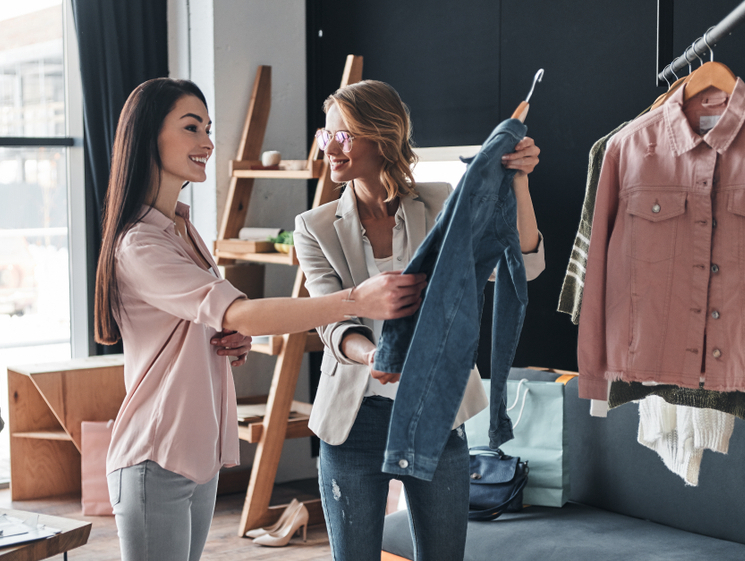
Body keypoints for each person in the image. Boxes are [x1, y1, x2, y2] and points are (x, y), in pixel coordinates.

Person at [93, 77, 427, 561]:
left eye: (208, 128)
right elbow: (242, 311)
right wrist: (355, 301)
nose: (207, 142)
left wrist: (226, 336)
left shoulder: (183, 229)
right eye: (192, 127)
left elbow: (212, 320)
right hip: (153, 453)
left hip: (197, 452)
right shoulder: (140, 243)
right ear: (149, 134)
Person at [293, 80, 545, 561]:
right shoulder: (315, 227)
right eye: (326, 136)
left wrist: (517, 180)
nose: (330, 148)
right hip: (353, 424)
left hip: (438, 414)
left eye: (343, 135)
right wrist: (374, 356)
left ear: (381, 135)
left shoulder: (439, 203)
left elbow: (525, 265)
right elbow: (330, 318)